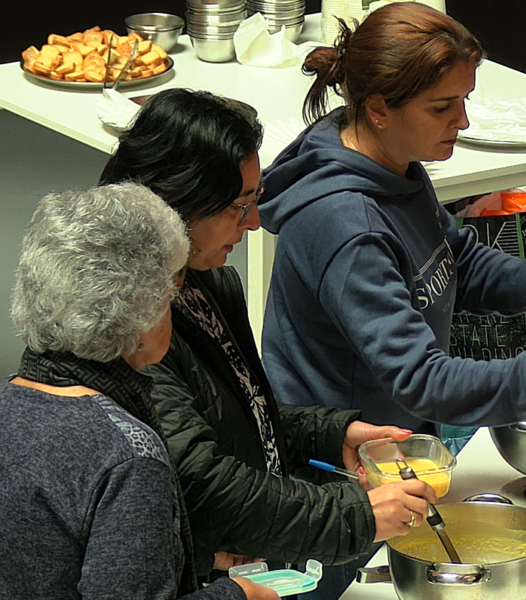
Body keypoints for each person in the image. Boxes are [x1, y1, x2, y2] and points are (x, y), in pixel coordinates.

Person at [99, 89, 437, 598]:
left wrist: (328, 434)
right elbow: (200, 480)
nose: (254, 223)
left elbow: (231, 411)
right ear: (175, 204)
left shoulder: (203, 279)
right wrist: (354, 516)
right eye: (239, 207)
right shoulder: (132, 322)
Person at [257, 2, 526, 437]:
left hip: (395, 431)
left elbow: (452, 261)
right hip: (337, 462)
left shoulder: (390, 161)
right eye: (442, 107)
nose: (463, 120)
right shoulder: (346, 226)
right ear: (379, 108)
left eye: (464, 100)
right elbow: (421, 380)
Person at [2, 183, 277, 600]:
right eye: (170, 296)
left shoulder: (11, 406)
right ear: (140, 314)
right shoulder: (128, 456)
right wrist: (239, 596)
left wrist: (187, 552)